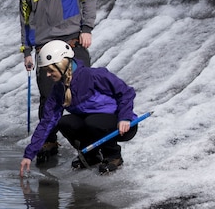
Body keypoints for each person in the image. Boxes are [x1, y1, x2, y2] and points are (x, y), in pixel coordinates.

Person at [14, 0, 97, 162]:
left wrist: (86, 29)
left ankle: (91, 145)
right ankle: (49, 141)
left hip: (72, 44)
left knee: (81, 92)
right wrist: (27, 52)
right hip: (44, 50)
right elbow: (26, 22)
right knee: (48, 97)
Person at [19, 40, 139, 177]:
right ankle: (90, 155)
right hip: (92, 124)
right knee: (64, 122)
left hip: (121, 125)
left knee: (93, 121)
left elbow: (126, 92)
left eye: (50, 70)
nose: (47, 75)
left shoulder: (93, 76)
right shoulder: (59, 89)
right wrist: (29, 154)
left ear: (61, 65)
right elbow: (47, 122)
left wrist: (125, 117)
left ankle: (113, 156)